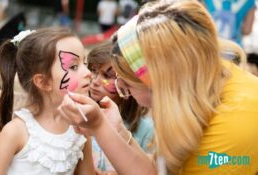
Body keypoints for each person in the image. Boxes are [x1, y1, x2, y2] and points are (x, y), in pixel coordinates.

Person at [57, 0, 258, 175]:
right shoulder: (196, 79)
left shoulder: (231, 133)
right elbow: (160, 170)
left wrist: (99, 127)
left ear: (161, 84)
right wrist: (114, 130)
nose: (123, 93)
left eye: (126, 87)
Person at [0, 27, 96, 175]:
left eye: (85, 63)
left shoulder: (80, 130)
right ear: (43, 82)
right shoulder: (16, 132)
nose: (88, 73)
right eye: (74, 66)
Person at [87, 42, 154, 171]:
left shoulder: (146, 130)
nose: (95, 81)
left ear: (127, 80)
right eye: (93, 71)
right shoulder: (79, 119)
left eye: (107, 76)